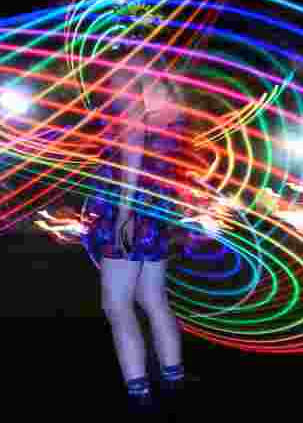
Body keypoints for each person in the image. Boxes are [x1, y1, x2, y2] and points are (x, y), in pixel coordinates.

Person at [83, 46, 189, 409]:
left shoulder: (128, 86)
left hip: (128, 207)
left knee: (117, 304)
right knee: (153, 299)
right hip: (158, 208)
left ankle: (139, 393)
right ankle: (174, 381)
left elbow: (132, 150)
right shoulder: (170, 97)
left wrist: (125, 212)